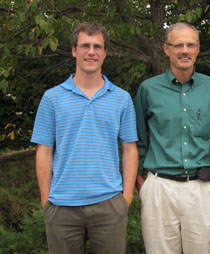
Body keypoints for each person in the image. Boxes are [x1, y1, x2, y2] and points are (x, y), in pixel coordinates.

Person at [31, 22, 138, 254]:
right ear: (74, 50)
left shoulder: (122, 99)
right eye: (85, 46)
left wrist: (126, 198)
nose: (91, 52)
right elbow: (44, 151)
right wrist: (46, 200)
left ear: (105, 52)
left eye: (97, 46)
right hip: (61, 206)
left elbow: (130, 149)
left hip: (109, 204)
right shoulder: (52, 98)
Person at [135, 22, 210, 254]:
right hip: (158, 189)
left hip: (201, 189)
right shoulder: (148, 89)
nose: (184, 50)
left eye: (190, 45)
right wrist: (142, 185)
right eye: (178, 45)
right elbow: (138, 141)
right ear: (167, 49)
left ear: (197, 49)